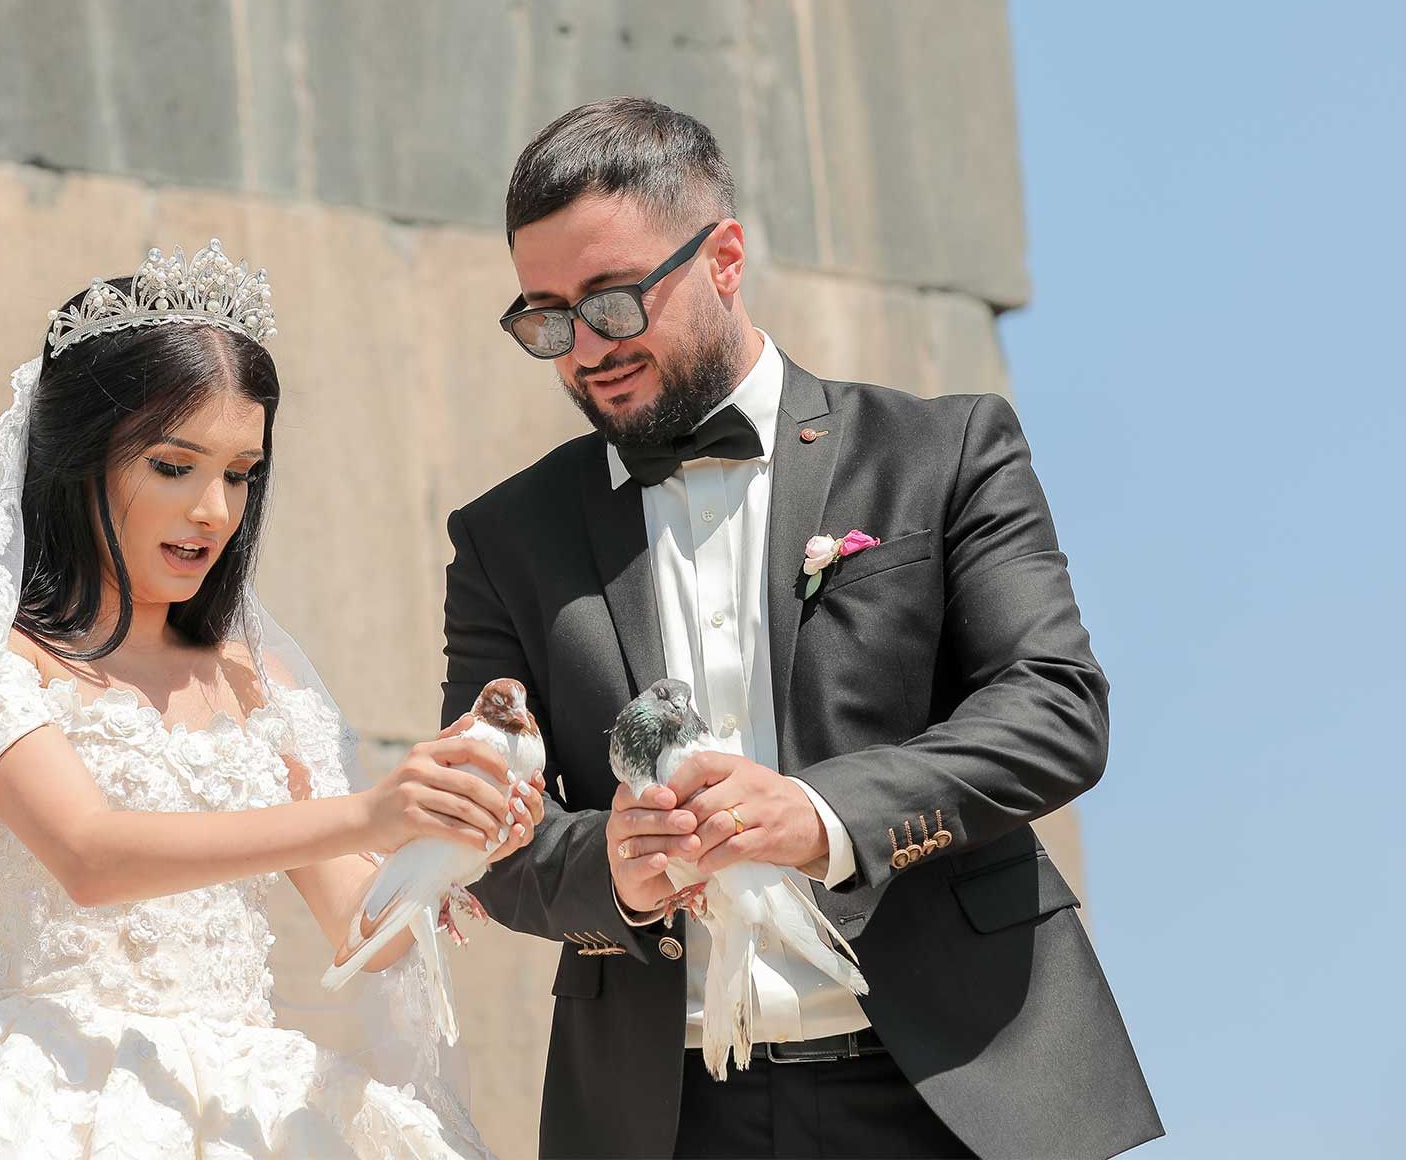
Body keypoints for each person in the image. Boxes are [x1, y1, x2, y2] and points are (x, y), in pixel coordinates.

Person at [0, 240, 541, 1158]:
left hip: (246, 1112)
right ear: (80, 460)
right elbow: (88, 855)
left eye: (240, 473)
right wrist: (369, 813)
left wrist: (450, 842)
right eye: (174, 466)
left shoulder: (255, 681)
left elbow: (362, 931)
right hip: (40, 1097)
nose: (214, 511)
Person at [444, 99, 1162, 1158]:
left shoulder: (943, 451)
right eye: (546, 319)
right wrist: (614, 868)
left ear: (725, 258)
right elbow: (483, 825)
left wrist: (822, 813)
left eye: (612, 302)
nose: (585, 350)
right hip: (663, 1118)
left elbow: (1055, 709)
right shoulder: (504, 536)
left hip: (955, 1091)